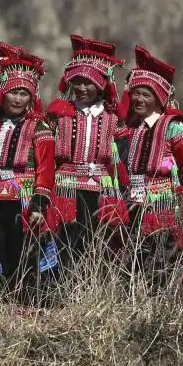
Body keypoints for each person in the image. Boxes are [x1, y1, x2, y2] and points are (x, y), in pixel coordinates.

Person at [115, 46, 183, 288]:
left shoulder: (174, 128)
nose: (139, 100)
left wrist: (180, 199)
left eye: (146, 95)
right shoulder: (129, 129)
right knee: (132, 261)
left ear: (159, 98)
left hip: (162, 209)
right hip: (131, 205)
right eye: (136, 94)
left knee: (160, 265)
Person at [0, 43, 56, 303]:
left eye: (24, 93)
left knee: (24, 253)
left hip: (22, 202)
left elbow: (46, 169)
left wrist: (38, 203)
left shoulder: (39, 127)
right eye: (13, 92)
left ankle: (26, 305)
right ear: (2, 93)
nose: (17, 99)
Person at [45, 35, 127, 268]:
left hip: (100, 188)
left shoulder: (112, 118)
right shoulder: (59, 113)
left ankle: (89, 290)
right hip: (66, 186)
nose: (81, 88)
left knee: (94, 241)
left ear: (102, 84)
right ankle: (62, 289)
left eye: (88, 82)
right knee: (64, 241)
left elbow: (120, 157)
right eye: (77, 81)